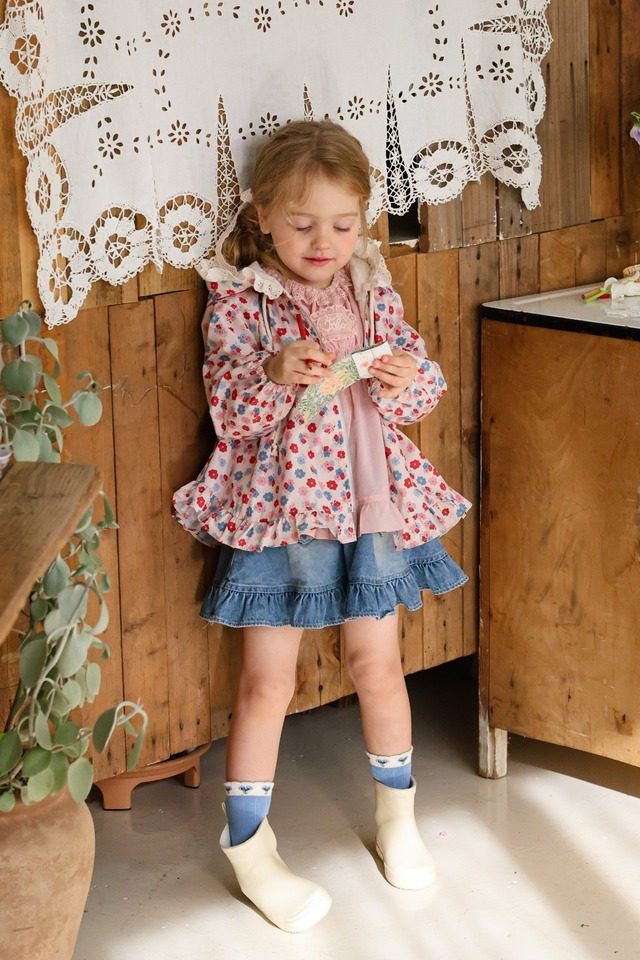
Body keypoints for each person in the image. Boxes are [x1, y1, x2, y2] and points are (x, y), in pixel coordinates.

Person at [173, 119, 471, 933]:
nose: (324, 242)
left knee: (377, 662)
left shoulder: (371, 289)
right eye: (303, 224)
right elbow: (231, 413)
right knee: (266, 684)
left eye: (342, 225)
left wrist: (405, 377)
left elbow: (418, 390)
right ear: (263, 214)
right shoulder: (242, 298)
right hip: (283, 515)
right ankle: (250, 848)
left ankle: (398, 817)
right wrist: (273, 372)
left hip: (371, 504)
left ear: (362, 221)